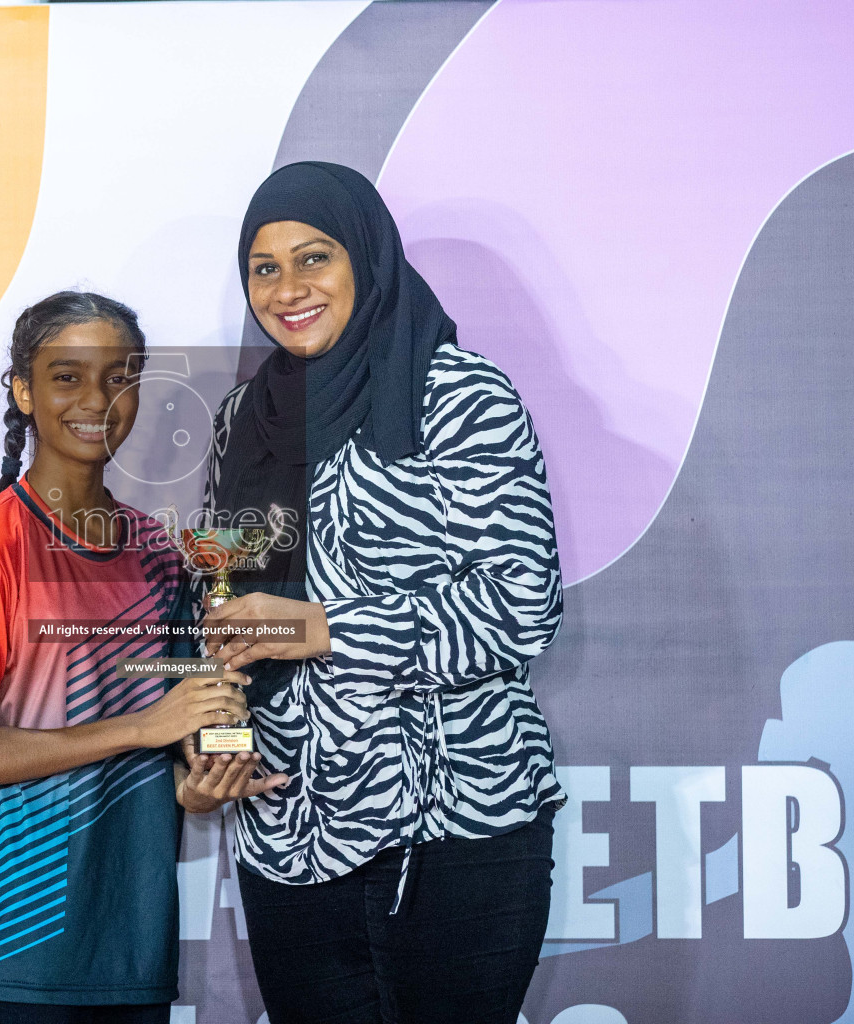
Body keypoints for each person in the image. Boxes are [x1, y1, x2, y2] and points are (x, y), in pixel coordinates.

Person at [199, 163, 566, 1024]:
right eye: (265, 268)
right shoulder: (243, 419)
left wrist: (325, 628)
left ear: (367, 259)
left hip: (454, 831)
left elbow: (524, 604)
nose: (288, 289)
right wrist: (214, 741)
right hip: (288, 835)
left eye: (313, 258)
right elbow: (216, 609)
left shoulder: (461, 399)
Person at [0, 290, 285, 1024]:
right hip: (22, 942)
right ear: (24, 389)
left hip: (134, 938)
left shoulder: (159, 551)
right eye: (68, 376)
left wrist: (207, 783)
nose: (97, 399)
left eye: (120, 377)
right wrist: (142, 726)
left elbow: (181, 755)